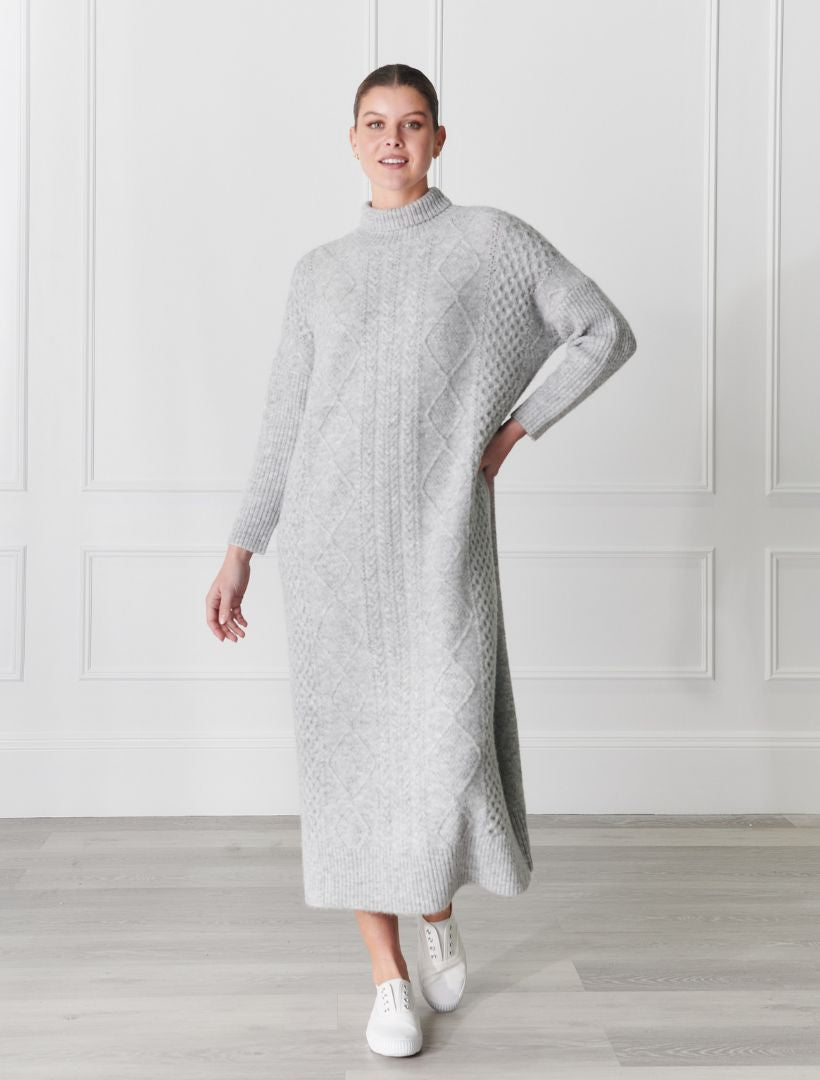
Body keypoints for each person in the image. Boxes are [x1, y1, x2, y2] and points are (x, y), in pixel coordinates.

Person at [205, 63, 637, 1058]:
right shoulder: (319, 272)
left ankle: (435, 908)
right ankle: (387, 978)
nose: (392, 139)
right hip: (328, 550)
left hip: (441, 541)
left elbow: (601, 331)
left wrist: (514, 429)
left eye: (411, 123)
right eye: (374, 123)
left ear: (439, 139)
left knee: (444, 747)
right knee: (354, 764)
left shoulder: (489, 242)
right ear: (351, 139)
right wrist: (241, 549)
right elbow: (284, 419)